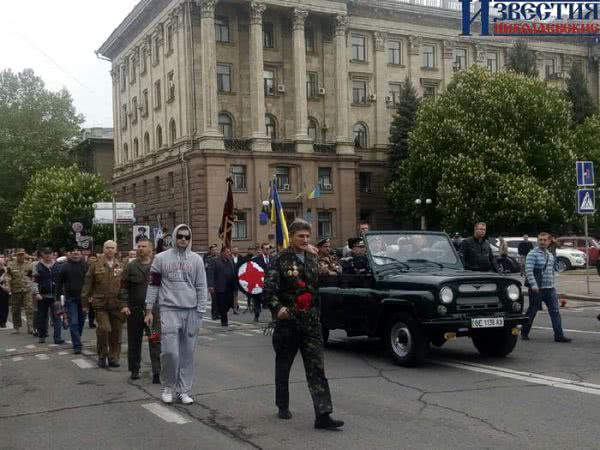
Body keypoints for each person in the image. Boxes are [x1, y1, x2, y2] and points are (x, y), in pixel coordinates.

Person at [263, 219, 343, 430]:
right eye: (301, 236)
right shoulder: (280, 259)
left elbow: (328, 277)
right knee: (283, 365)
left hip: (311, 323)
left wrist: (321, 257)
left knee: (316, 368)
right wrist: (277, 308)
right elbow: (268, 290)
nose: (305, 240)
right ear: (292, 236)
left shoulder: (313, 257)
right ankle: (282, 404)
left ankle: (323, 414)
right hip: (288, 322)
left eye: (307, 236)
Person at [145, 224, 207, 405]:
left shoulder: (196, 260)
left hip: (191, 310)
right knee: (170, 352)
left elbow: (201, 286)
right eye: (180, 236)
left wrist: (200, 312)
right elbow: (153, 285)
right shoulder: (161, 258)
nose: (183, 240)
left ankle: (183, 390)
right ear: (173, 237)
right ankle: (167, 387)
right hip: (169, 309)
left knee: (187, 353)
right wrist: (149, 309)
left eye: (187, 237)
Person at [119, 238, 161, 383]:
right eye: (139, 246)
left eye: (144, 246)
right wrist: (124, 304)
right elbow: (124, 287)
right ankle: (134, 369)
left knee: (155, 340)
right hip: (135, 309)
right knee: (134, 340)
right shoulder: (131, 266)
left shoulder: (157, 265)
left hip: (154, 310)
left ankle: (157, 372)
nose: (140, 248)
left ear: (151, 249)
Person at [521, 232, 571, 343]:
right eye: (540, 240)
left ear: (549, 241)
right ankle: (524, 332)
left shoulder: (550, 255)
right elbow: (528, 271)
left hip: (550, 288)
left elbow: (552, 270)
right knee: (532, 311)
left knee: (555, 311)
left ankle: (559, 335)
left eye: (544, 240)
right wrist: (533, 285)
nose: (542, 242)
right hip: (537, 289)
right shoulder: (532, 254)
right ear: (538, 241)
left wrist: (554, 281)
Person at [82, 240, 125, 368]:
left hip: (117, 304)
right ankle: (102, 355)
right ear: (103, 249)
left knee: (116, 333)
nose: (110, 250)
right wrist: (84, 304)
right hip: (100, 304)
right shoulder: (95, 265)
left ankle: (114, 357)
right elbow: (87, 285)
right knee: (104, 329)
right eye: (107, 247)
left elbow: (125, 286)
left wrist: (126, 303)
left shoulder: (121, 265)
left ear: (116, 250)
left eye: (112, 248)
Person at [55, 247, 89, 354]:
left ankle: (77, 338)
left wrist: (91, 295)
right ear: (70, 254)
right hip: (70, 299)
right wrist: (58, 298)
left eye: (77, 252)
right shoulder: (65, 266)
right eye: (73, 252)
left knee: (81, 321)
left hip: (84, 298)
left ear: (81, 254)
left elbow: (91, 282)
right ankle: (77, 345)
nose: (75, 254)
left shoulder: (86, 266)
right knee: (73, 322)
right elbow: (59, 283)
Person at [32, 248, 63, 344]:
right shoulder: (38, 266)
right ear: (42, 254)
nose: (48, 255)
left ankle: (57, 338)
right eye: (46, 254)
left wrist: (62, 293)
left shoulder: (58, 265)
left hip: (55, 295)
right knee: (42, 317)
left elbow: (62, 280)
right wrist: (36, 293)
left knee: (57, 317)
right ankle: (42, 335)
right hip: (43, 296)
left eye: (50, 253)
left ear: (53, 254)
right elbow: (34, 281)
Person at [207, 246, 237, 327]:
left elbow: (234, 271)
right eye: (227, 252)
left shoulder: (230, 260)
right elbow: (210, 273)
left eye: (229, 252)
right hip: (220, 286)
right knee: (222, 304)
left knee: (229, 303)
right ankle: (224, 321)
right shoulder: (214, 261)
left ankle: (221, 312)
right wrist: (210, 285)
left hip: (230, 286)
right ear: (222, 252)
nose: (229, 253)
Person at [5, 249, 34, 334]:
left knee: (29, 308)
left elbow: (33, 276)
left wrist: (32, 284)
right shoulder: (11, 265)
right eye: (19, 254)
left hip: (27, 289)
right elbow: (8, 276)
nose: (21, 256)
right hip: (16, 290)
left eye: (22, 254)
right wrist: (8, 286)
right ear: (16, 255)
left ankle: (30, 327)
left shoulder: (29, 264)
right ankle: (16, 327)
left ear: (25, 255)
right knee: (15, 309)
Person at [251, 243, 272, 322]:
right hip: (259, 283)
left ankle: (273, 317)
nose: (267, 250)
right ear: (262, 250)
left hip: (269, 283)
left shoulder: (273, 258)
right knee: (257, 300)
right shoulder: (256, 259)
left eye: (268, 248)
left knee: (270, 300)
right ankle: (256, 315)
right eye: (266, 248)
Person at [204, 244, 219, 320]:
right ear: (210, 251)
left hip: (219, 282)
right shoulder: (208, 259)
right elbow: (207, 270)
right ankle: (214, 314)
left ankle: (218, 313)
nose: (215, 251)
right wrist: (210, 285)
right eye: (213, 250)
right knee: (214, 299)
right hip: (212, 282)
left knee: (219, 299)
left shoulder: (219, 258)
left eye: (216, 250)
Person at [0, 259, 9, 328]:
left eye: (1, 264)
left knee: (4, 307)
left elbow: (10, 280)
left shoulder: (6, 271)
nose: (0, 265)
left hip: (4, 291)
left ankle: (3, 322)